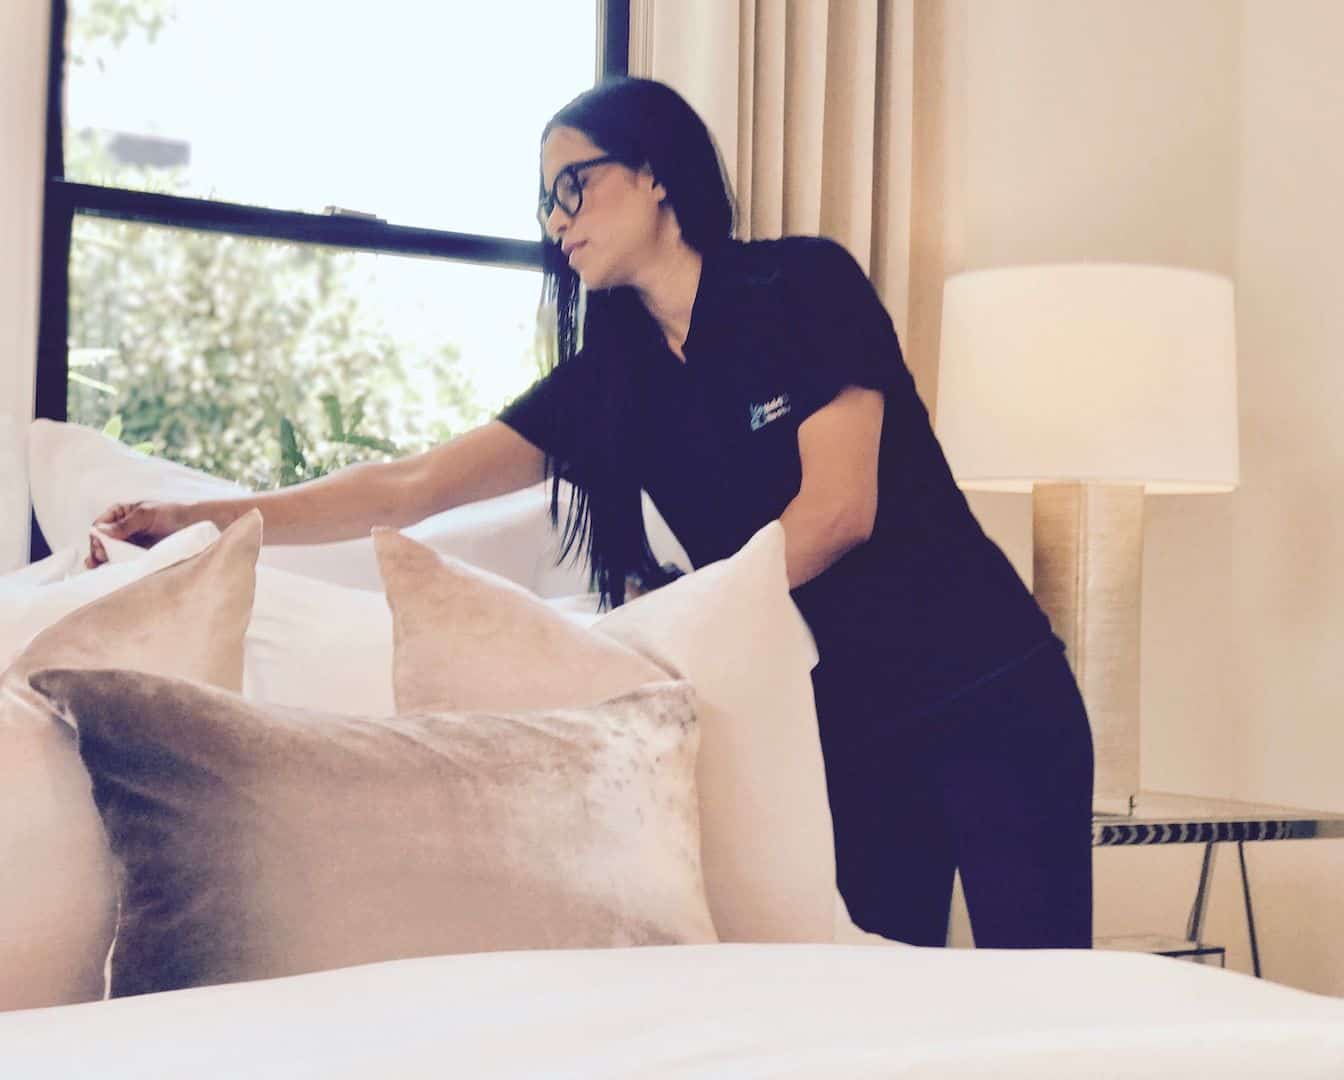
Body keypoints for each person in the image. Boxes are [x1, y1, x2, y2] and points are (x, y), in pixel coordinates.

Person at [87, 77, 1094, 950]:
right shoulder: (614, 381)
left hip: (989, 694)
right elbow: (412, 486)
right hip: (848, 732)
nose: (556, 219)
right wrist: (201, 517)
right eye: (545, 202)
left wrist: (669, 619)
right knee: (886, 1016)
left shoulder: (804, 285)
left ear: (655, 174)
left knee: (1051, 999)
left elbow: (837, 512)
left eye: (574, 185)